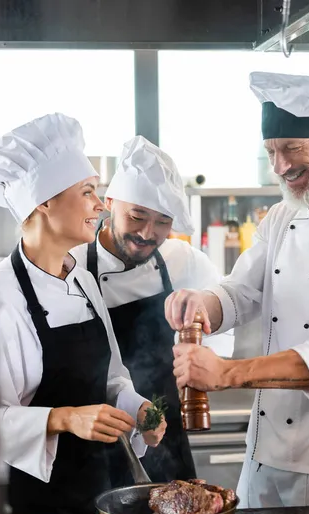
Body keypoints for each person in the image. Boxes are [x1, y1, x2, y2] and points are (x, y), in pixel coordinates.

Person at [165, 71, 309, 508]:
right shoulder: (283, 216)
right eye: (272, 152)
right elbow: (241, 292)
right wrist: (203, 302)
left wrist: (227, 373)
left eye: (293, 148)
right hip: (263, 453)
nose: (281, 166)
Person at [0, 113, 166, 514]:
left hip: (107, 492)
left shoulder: (81, 278)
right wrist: (64, 419)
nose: (100, 206)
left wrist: (137, 407)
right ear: (44, 201)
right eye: (88, 192)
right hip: (39, 507)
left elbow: (112, 377)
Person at [71, 135, 220, 484]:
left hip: (164, 436)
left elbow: (220, 324)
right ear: (109, 203)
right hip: (98, 437)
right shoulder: (72, 265)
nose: (147, 233)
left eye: (163, 222)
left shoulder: (182, 262)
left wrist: (200, 368)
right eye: (137, 216)